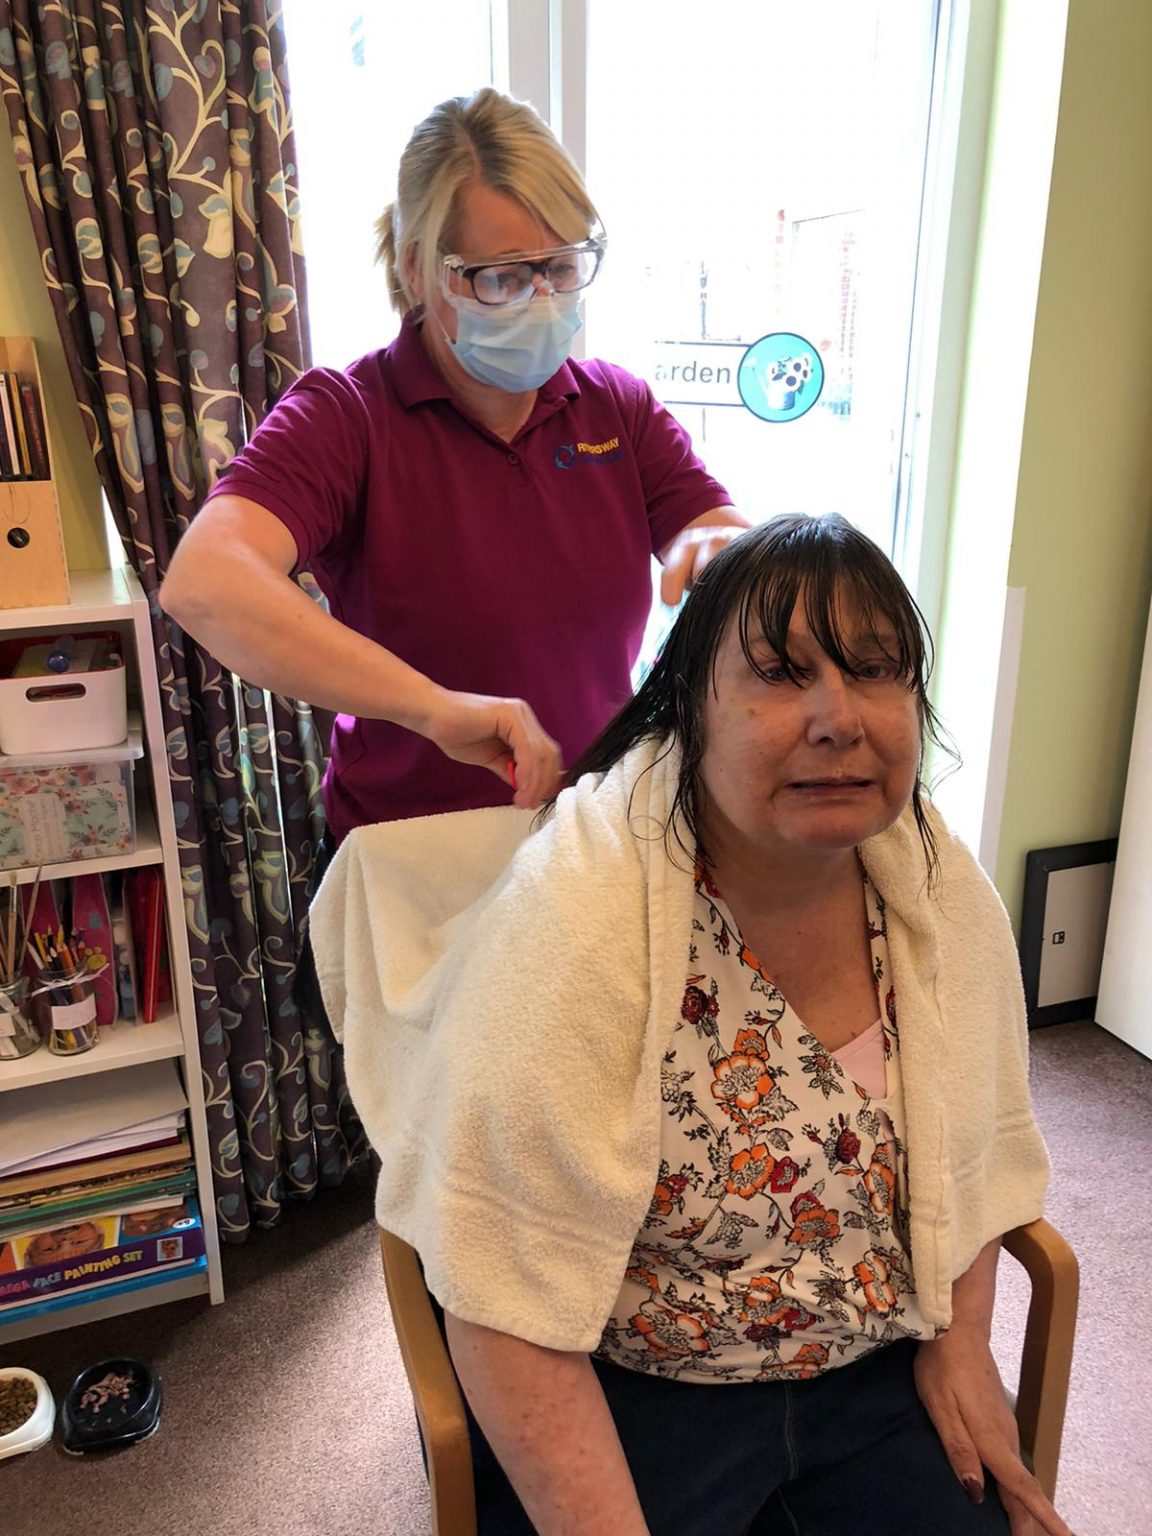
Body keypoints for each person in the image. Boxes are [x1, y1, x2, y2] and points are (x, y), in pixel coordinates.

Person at [310, 514, 1070, 1536]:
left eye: (875, 670)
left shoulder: (936, 884)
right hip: (630, 1382)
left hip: (875, 1355)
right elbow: (504, 1290)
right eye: (781, 674)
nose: (839, 718)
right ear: (689, 710)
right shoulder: (573, 915)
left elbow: (971, 1144)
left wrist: (962, 1332)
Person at [158, 86, 747, 846]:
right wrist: (433, 709)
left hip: (583, 831)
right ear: (418, 269)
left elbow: (717, 530)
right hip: (412, 849)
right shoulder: (348, 417)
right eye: (502, 277)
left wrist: (728, 552)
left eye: (561, 266)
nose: (541, 299)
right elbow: (206, 582)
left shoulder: (616, 410)